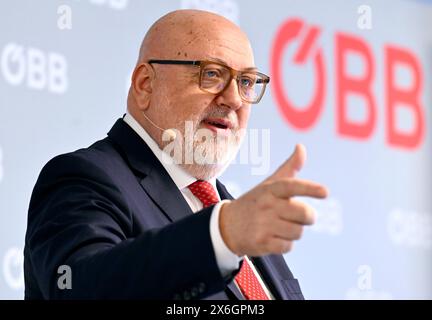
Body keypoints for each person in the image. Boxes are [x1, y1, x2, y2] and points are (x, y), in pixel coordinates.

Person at [24, 9, 328, 300]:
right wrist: (221, 235)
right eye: (211, 74)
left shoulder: (239, 216)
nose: (235, 99)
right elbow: (80, 289)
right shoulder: (82, 178)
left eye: (246, 82)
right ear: (145, 85)